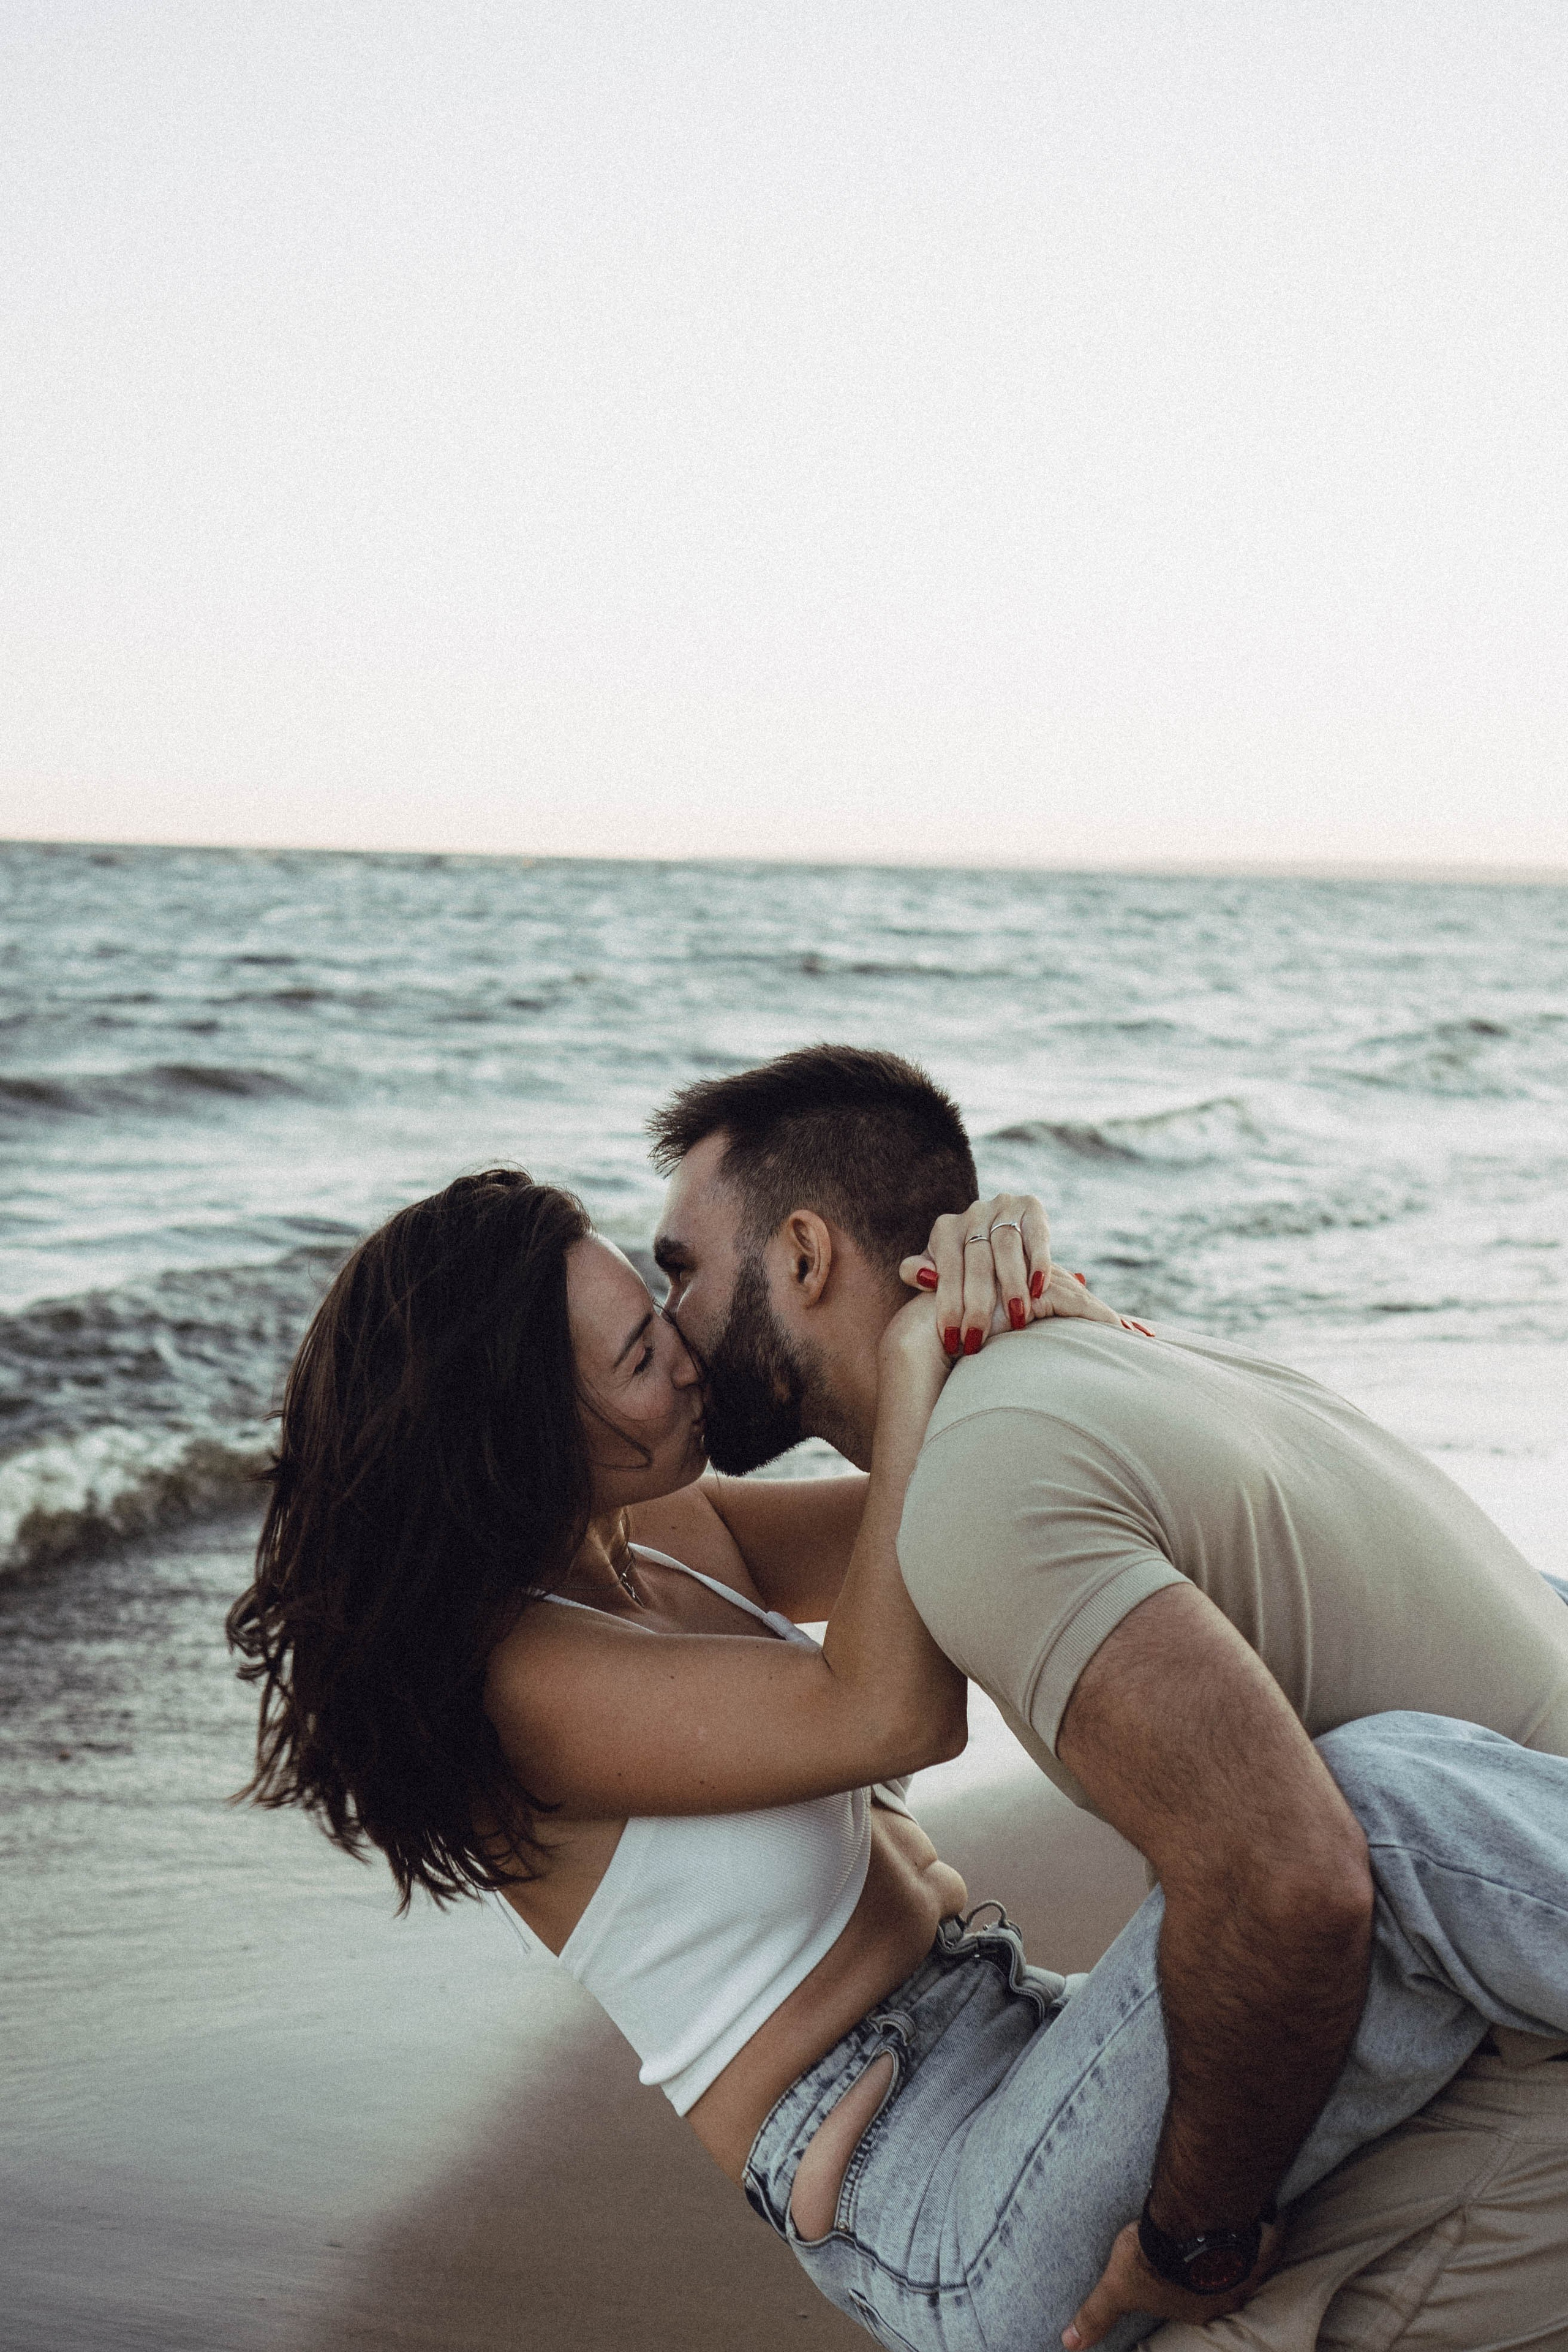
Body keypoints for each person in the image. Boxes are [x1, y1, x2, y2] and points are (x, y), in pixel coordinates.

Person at [228, 1164, 1568, 2352]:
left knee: (1391, 1940)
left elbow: (1000, 1492)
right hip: (937, 2210)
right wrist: (920, 1358)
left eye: (655, 1307)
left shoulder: (666, 1532)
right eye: (639, 1356)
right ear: (521, 1436)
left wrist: (1034, 1321)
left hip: (1024, 2048)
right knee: (1369, 1821)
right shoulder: (520, 1683)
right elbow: (891, 1711)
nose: (686, 1356)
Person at [646, 1044, 1568, 2346]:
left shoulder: (985, 1481)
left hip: (1528, 2041)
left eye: (676, 1270)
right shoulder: (1117, 1366)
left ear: (801, 1256)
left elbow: (1286, 1883)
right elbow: (744, 1546)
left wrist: (1193, 2241)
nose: (664, 1323)